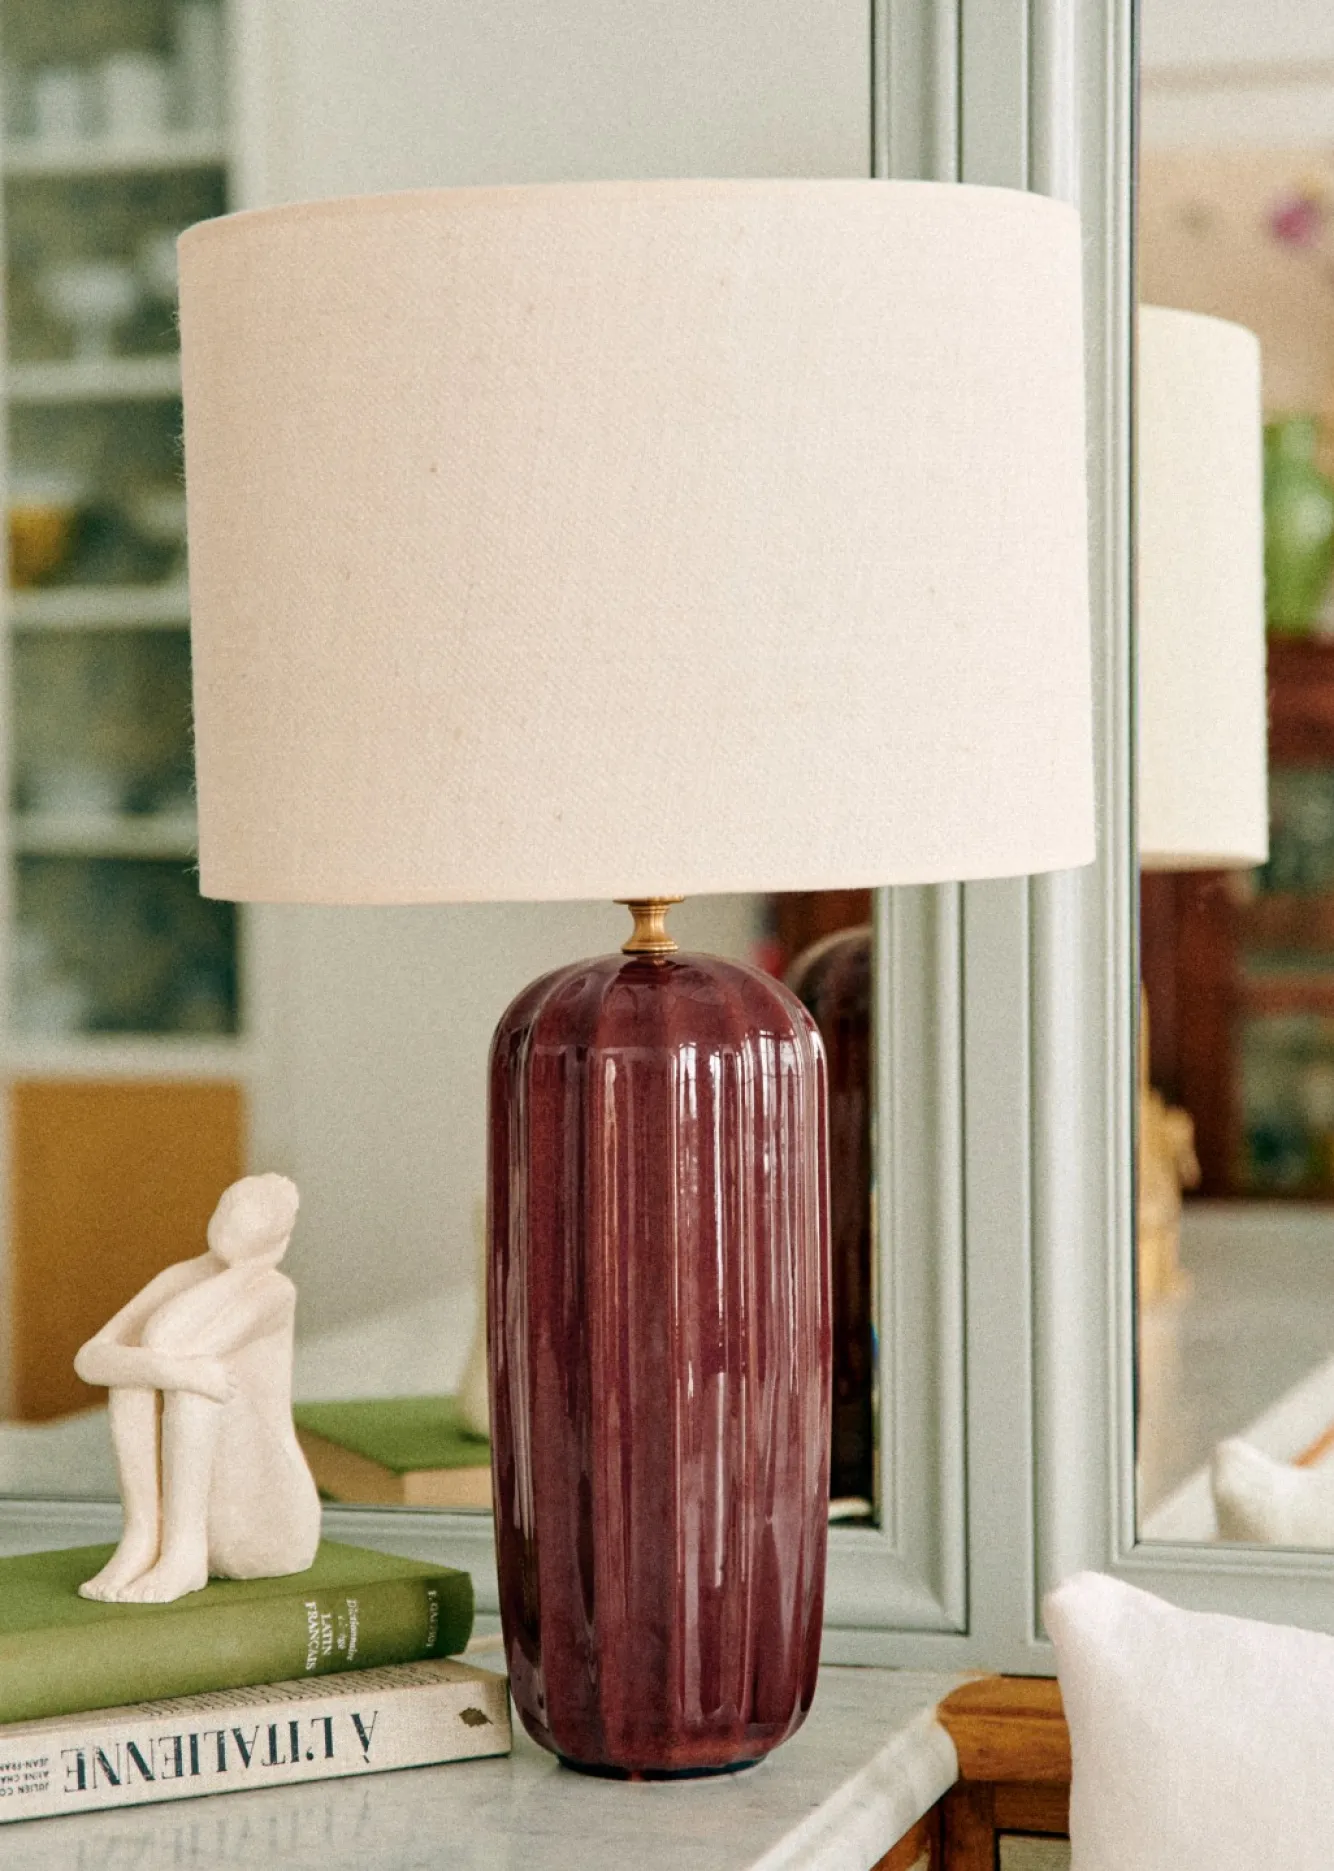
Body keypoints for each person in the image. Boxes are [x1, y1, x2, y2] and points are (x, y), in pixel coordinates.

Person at [74, 1172, 320, 1604]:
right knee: (141, 1377)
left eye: (248, 1222)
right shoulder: (182, 1276)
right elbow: (90, 1359)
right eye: (227, 1208)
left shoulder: (274, 1291)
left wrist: (249, 1270)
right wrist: (173, 1372)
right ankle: (143, 1536)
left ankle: (185, 1551)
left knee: (194, 1381)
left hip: (265, 1509)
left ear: (274, 1238)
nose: (230, 1223)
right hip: (204, 1498)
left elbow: (169, 1339)